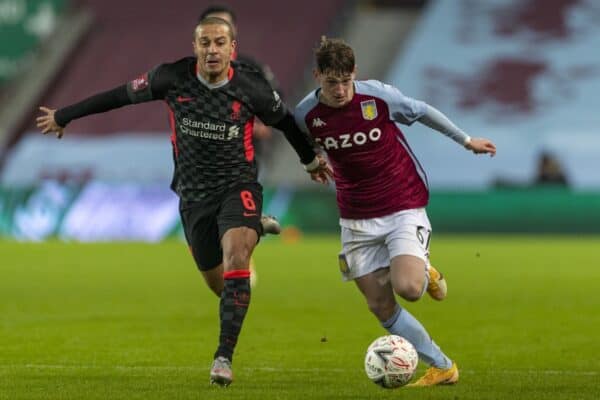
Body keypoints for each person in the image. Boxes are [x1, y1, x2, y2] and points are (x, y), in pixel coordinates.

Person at [36, 17, 332, 387]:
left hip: (236, 185)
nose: (212, 49)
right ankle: (255, 225)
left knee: (238, 258)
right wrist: (65, 115)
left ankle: (223, 357)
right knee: (221, 285)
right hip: (193, 197)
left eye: (219, 43)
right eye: (205, 42)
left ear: (231, 48)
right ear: (195, 47)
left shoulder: (251, 87)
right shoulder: (171, 78)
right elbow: (117, 96)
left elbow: (287, 122)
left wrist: (310, 160)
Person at [294, 37, 496, 387]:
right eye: (331, 82)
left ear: (354, 73)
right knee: (379, 306)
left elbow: (421, 111)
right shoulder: (305, 114)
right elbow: (305, 144)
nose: (341, 90)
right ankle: (443, 367)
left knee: (410, 288)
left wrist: (465, 140)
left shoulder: (378, 97)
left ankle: (423, 267)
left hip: (401, 201)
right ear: (317, 76)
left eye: (346, 81)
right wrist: (313, 163)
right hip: (355, 216)